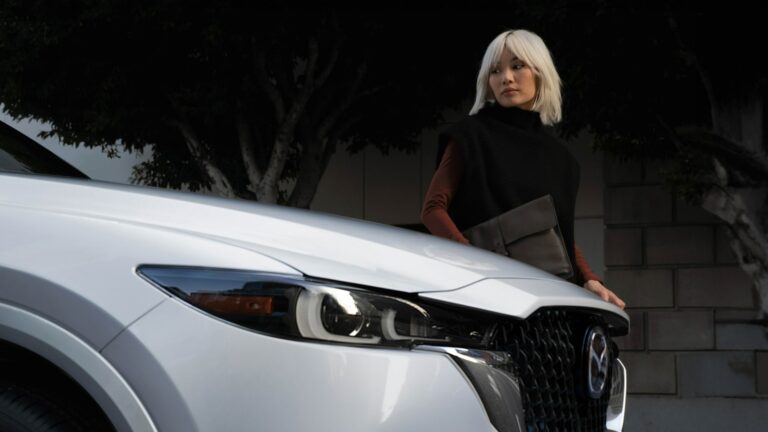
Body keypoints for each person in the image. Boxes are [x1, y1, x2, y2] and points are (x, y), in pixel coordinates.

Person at [421, 29, 625, 309]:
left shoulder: (562, 160)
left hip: (543, 297)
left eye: (517, 66)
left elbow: (560, 234)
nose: (506, 77)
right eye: (495, 71)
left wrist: (590, 278)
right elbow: (432, 210)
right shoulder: (470, 135)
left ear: (540, 71)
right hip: (480, 295)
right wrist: (474, 265)